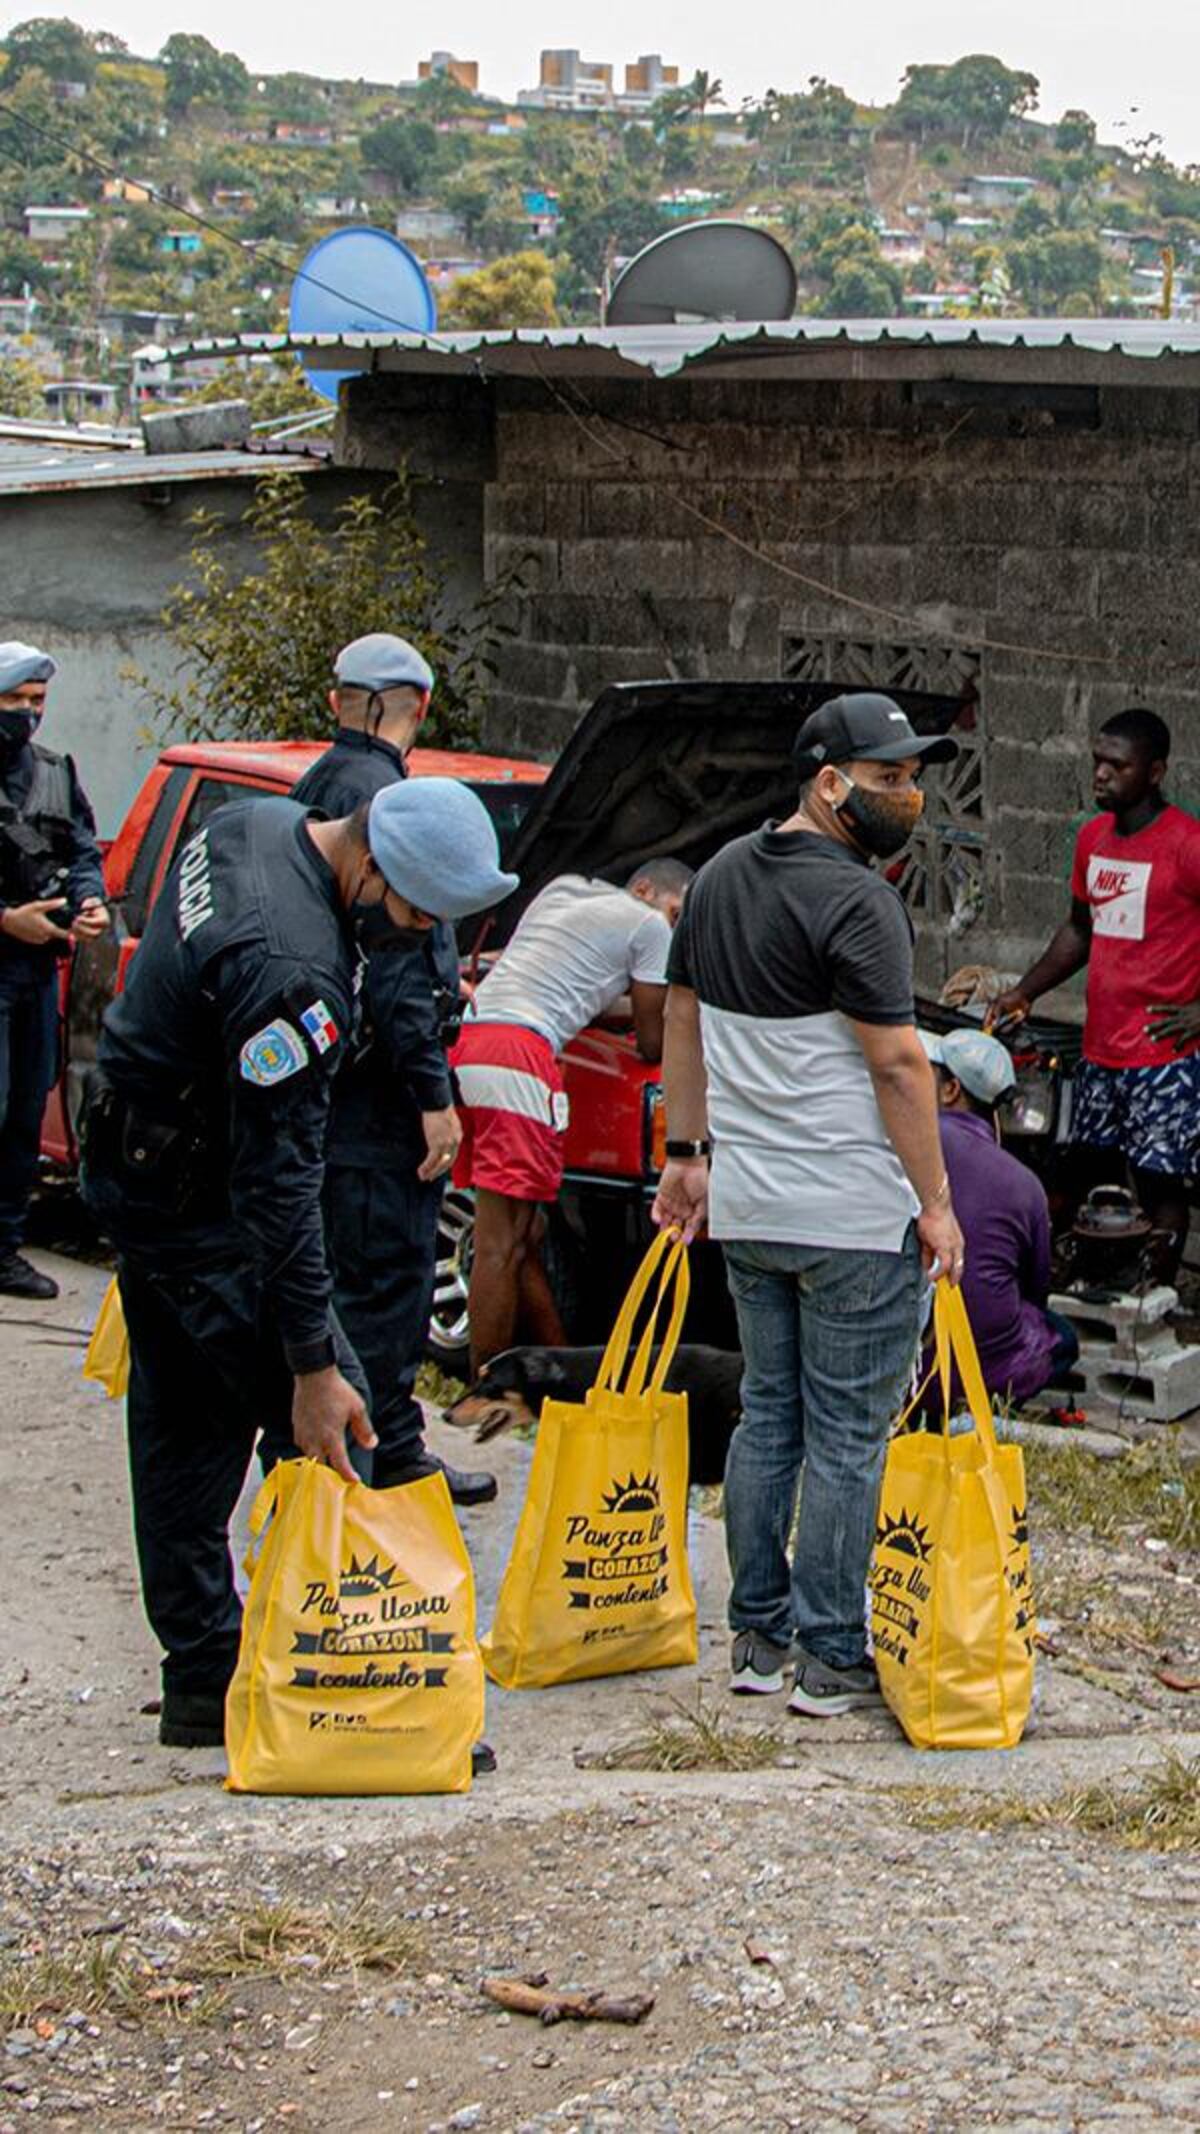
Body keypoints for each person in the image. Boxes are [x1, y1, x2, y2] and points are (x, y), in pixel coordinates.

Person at [80, 778, 516, 1748]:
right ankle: (354, 1683)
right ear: (372, 868)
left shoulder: (258, 825)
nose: (413, 936)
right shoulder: (296, 974)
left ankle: (202, 1683)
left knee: (184, 1428)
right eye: (412, 916)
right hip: (204, 1208)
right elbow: (281, 1189)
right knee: (341, 1428)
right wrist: (315, 1362)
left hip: (142, 1173)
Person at [652, 692, 964, 1718]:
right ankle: (831, 1656)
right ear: (830, 783)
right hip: (852, 1216)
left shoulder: (718, 880)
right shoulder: (861, 903)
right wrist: (936, 1201)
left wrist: (687, 1153)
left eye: (913, 778)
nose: (908, 795)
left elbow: (684, 1022)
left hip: (752, 1208)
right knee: (845, 1435)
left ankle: (757, 1637)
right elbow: (900, 1067)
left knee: (767, 1418)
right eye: (888, 779)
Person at [290, 633, 495, 1507]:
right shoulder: (382, 800)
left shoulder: (323, 786)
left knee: (364, 1278)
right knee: (384, 1281)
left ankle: (389, 1445)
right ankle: (368, 1462)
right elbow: (400, 971)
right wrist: (433, 1095)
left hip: (346, 1091)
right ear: (405, 703)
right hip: (378, 1103)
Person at [450, 858, 693, 1375]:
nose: (674, 927)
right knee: (499, 1243)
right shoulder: (649, 927)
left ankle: (558, 1372)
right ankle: (486, 1386)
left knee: (526, 1235)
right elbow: (653, 1041)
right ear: (645, 889)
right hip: (521, 1056)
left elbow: (582, 992)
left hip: (469, 1042)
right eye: (676, 912)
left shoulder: (562, 885)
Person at [988, 709, 1200, 1285]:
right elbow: (1081, 929)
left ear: (1154, 772)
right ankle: (1101, 1284)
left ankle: (1153, 1301)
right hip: (1100, 1049)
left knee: (1159, 1182)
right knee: (1091, 1175)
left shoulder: (1187, 844)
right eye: (1097, 762)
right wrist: (1023, 993)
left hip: (1162, 1057)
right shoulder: (1092, 838)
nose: (1101, 775)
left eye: (1117, 765)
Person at [0, 642, 109, 1299]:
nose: (28, 714)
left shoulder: (55, 772)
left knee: (20, 1116)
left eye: (37, 702)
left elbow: (83, 848)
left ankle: (5, 1247)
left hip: (37, 972)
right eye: (14, 701)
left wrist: (89, 901)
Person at [919, 1027, 1079, 1407]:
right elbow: (1034, 1289)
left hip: (896, 1364)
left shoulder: (904, 1146)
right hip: (984, 1372)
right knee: (1061, 1335)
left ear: (950, 1089)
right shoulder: (1025, 1184)